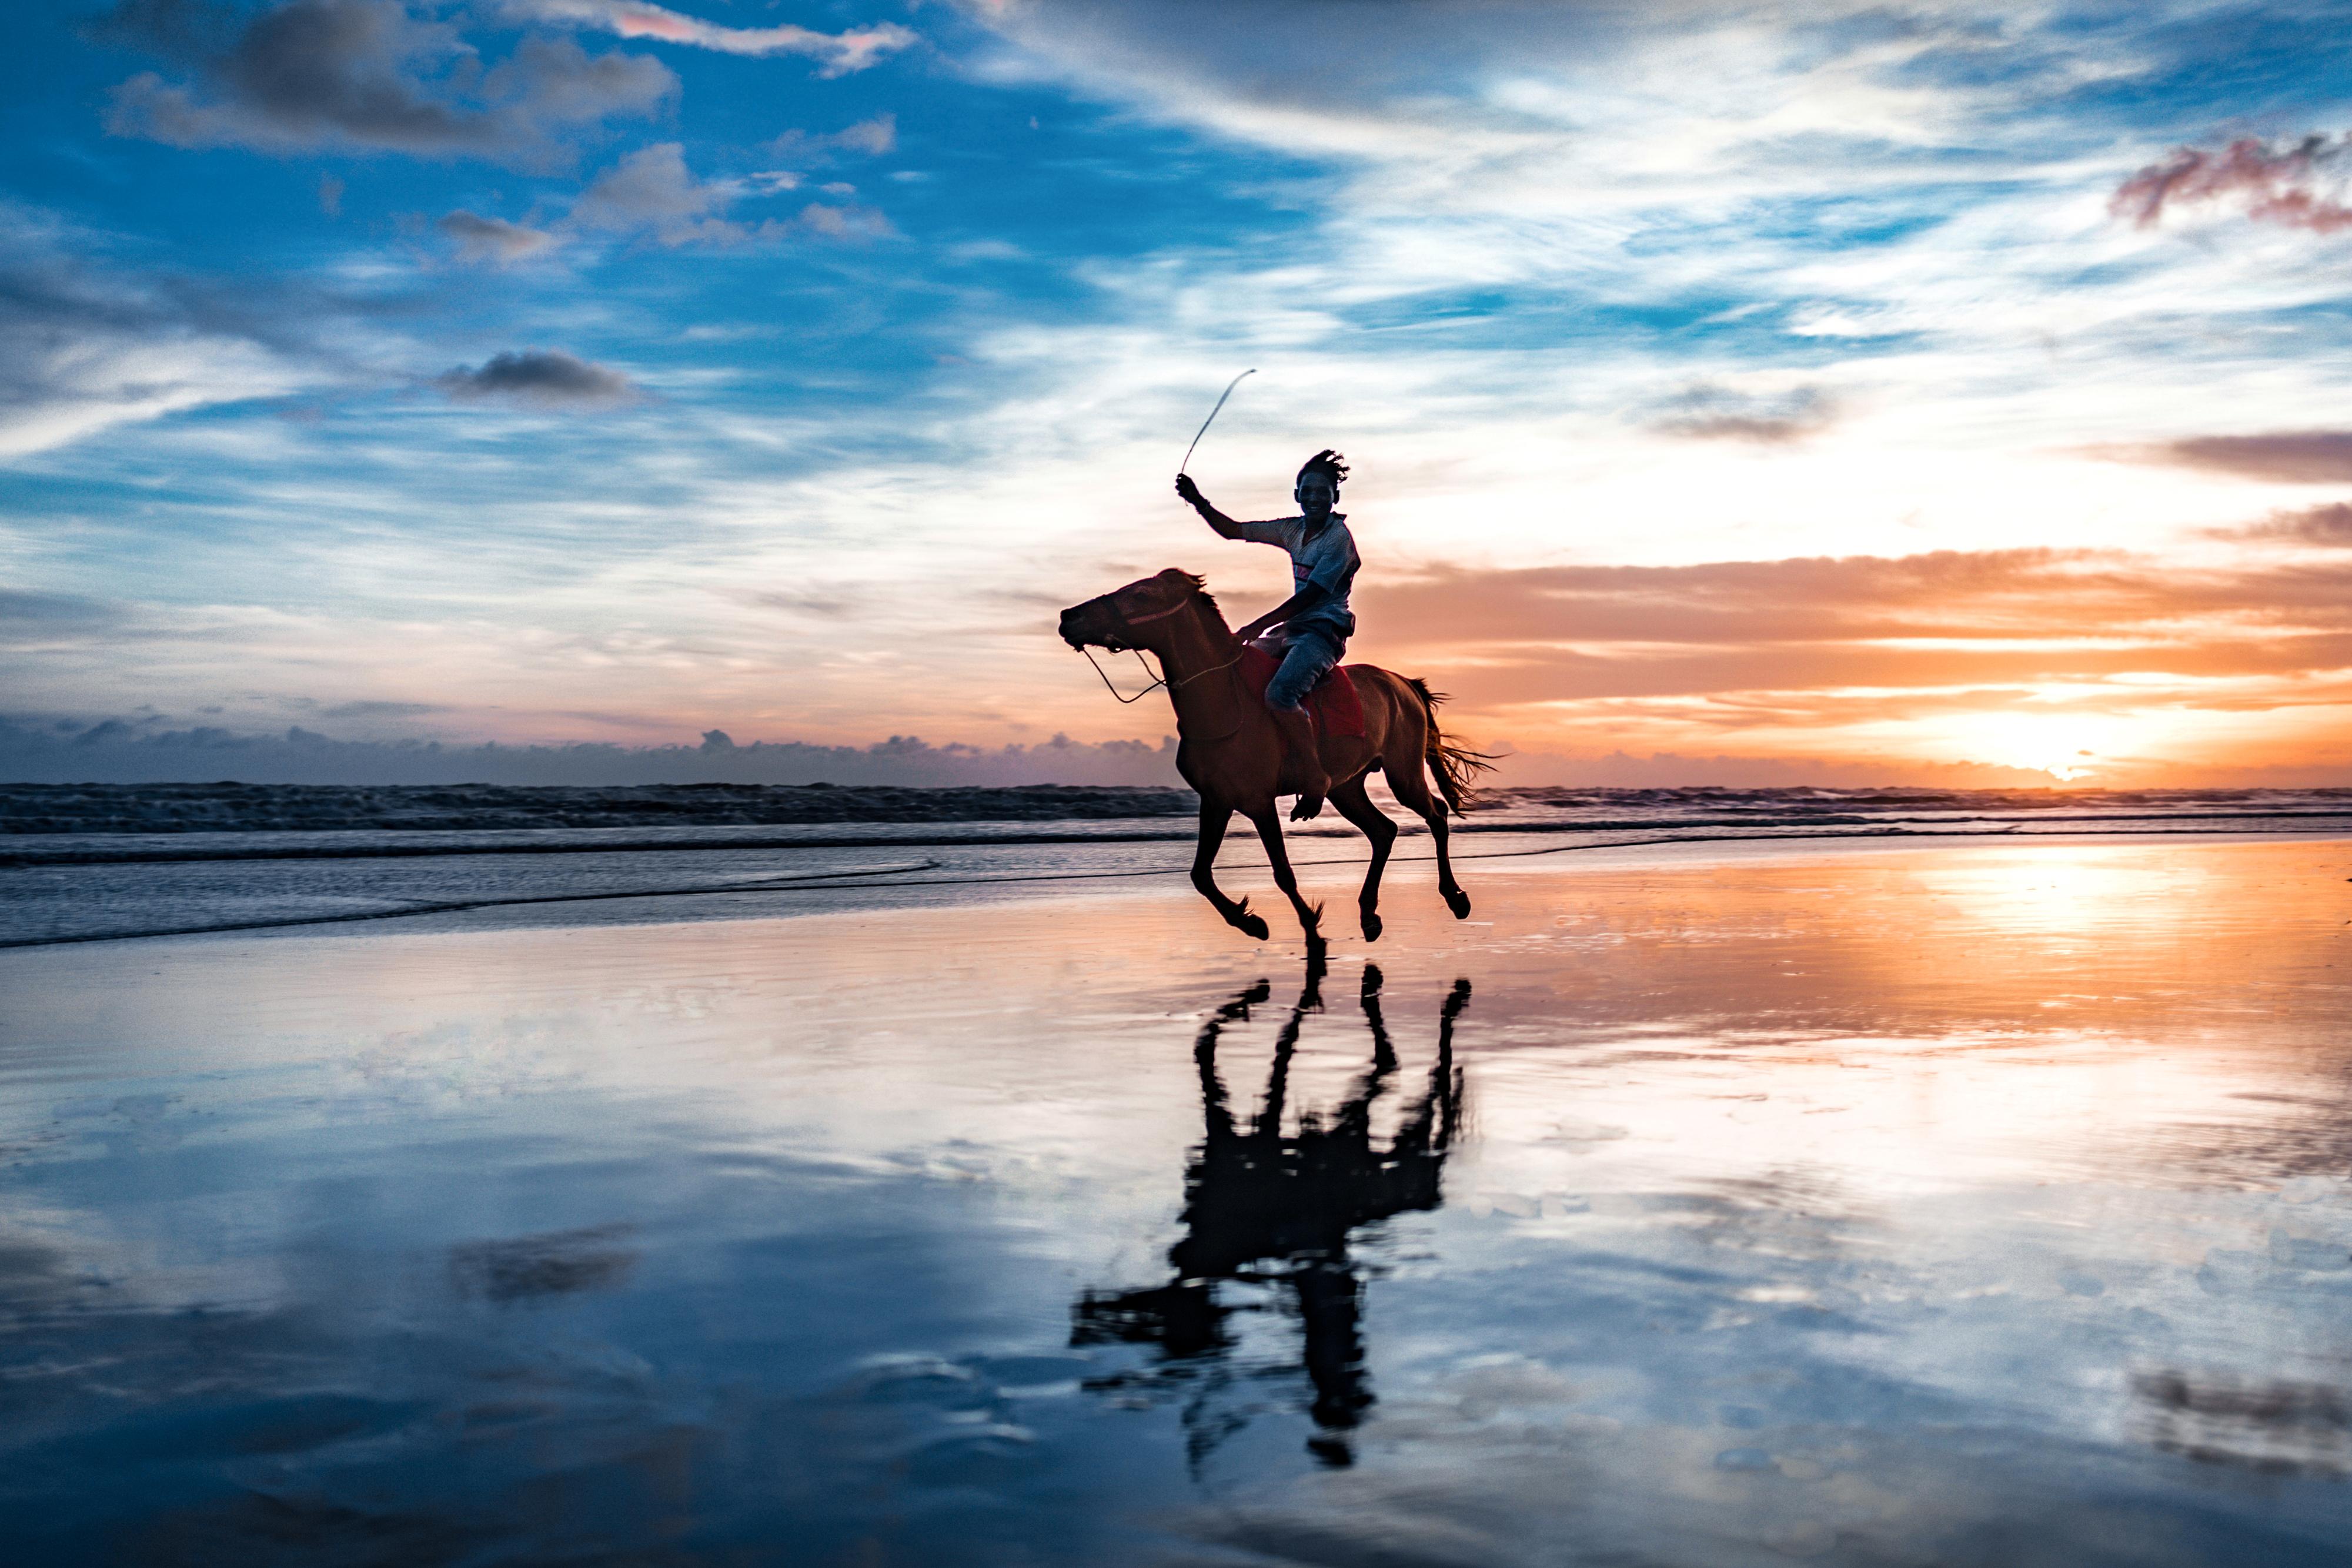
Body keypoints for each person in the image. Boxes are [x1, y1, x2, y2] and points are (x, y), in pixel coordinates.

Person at [1174, 450, 1361, 820]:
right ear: (1297, 496)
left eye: (1322, 492)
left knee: (1280, 694)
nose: (1313, 498)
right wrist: (1198, 501)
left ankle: (1314, 778)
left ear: (1334, 497)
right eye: (1306, 491)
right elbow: (1233, 530)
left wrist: (1257, 625)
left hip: (1323, 632)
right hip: (1291, 629)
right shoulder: (1291, 529)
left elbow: (1312, 597)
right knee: (1233, 664)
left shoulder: (1338, 539)